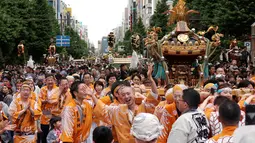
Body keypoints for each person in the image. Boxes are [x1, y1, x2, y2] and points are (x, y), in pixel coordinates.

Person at [39, 74, 59, 143]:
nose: (50, 82)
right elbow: (39, 100)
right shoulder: (43, 89)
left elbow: (59, 100)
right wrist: (45, 101)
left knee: (54, 131)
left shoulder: (58, 89)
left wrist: (52, 101)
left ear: (54, 81)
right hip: (45, 111)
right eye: (48, 80)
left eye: (51, 80)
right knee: (45, 131)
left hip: (55, 113)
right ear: (45, 81)